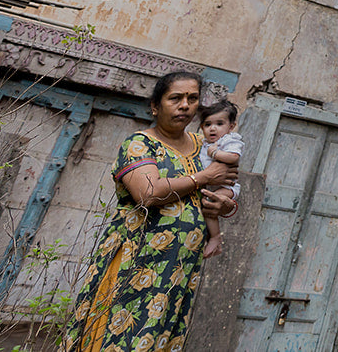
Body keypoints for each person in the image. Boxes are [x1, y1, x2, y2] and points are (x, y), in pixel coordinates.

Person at [61, 70, 238, 352]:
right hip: (137, 264)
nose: (185, 105)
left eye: (192, 99)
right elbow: (148, 193)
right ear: (155, 106)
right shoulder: (140, 145)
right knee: (115, 335)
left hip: (178, 269)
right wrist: (204, 178)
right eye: (175, 98)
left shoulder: (206, 145)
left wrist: (226, 204)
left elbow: (227, 182)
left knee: (157, 337)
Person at [198, 99, 244, 260]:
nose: (212, 128)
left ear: (231, 127)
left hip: (227, 187)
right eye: (207, 124)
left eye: (219, 123)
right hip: (209, 186)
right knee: (207, 209)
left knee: (210, 208)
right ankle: (214, 239)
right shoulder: (203, 143)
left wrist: (214, 154)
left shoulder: (228, 141)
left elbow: (233, 158)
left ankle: (215, 237)